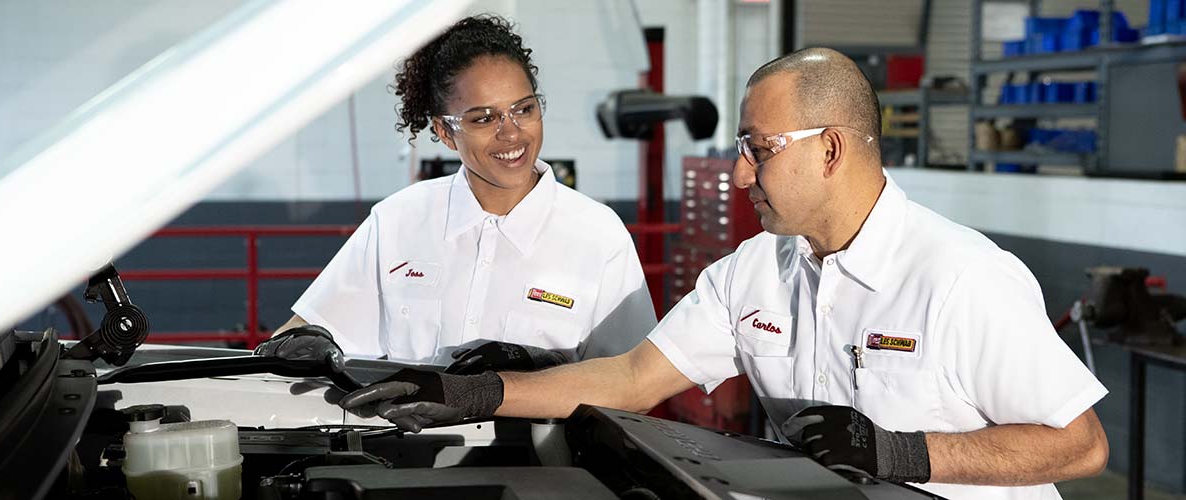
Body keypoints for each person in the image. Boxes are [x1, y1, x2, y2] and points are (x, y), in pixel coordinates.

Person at [335, 48, 1110, 499]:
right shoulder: (755, 272)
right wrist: (475, 393)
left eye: (758, 148)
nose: (740, 174)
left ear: (830, 149)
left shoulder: (962, 277)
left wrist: (908, 453)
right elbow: (634, 378)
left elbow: (1080, 446)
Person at [260, 15, 656, 371]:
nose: (511, 132)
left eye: (524, 109)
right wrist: (286, 350)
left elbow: (633, 380)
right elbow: (309, 332)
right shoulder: (398, 220)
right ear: (446, 132)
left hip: (546, 452)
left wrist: (543, 373)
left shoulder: (599, 235)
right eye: (484, 118)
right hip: (406, 447)